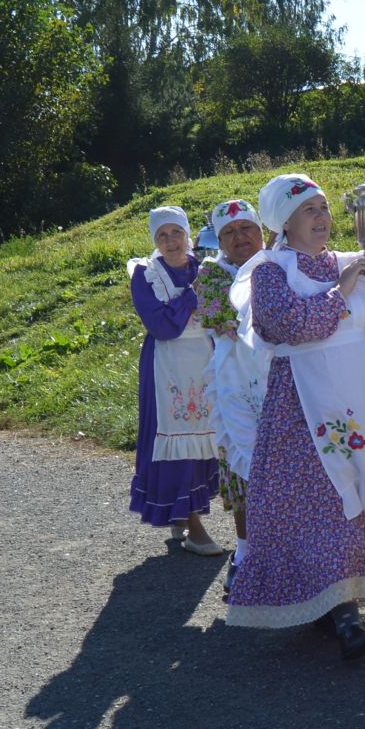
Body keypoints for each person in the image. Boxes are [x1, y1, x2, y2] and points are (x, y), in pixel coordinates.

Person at [221, 174, 365, 658]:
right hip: (303, 405)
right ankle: (340, 613)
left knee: (362, 490)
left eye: (325, 207)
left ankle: (347, 596)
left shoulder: (352, 261)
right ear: (284, 220)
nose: (321, 217)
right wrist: (340, 291)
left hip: (360, 399)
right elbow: (289, 326)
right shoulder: (271, 272)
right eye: (309, 210)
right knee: (321, 500)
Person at [127, 205, 225, 555]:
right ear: (155, 240)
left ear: (187, 235)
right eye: (162, 235)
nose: (171, 241)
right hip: (167, 366)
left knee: (205, 438)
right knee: (176, 439)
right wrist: (192, 295)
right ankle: (192, 523)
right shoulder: (145, 274)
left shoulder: (206, 266)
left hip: (206, 360)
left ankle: (181, 515)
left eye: (177, 233)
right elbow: (163, 326)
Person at [193, 198, 266, 588]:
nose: (241, 237)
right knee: (243, 471)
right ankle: (244, 552)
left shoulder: (279, 262)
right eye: (229, 233)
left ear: (261, 231)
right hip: (235, 384)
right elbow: (232, 321)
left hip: (283, 380)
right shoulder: (212, 274)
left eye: (247, 228)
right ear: (219, 241)